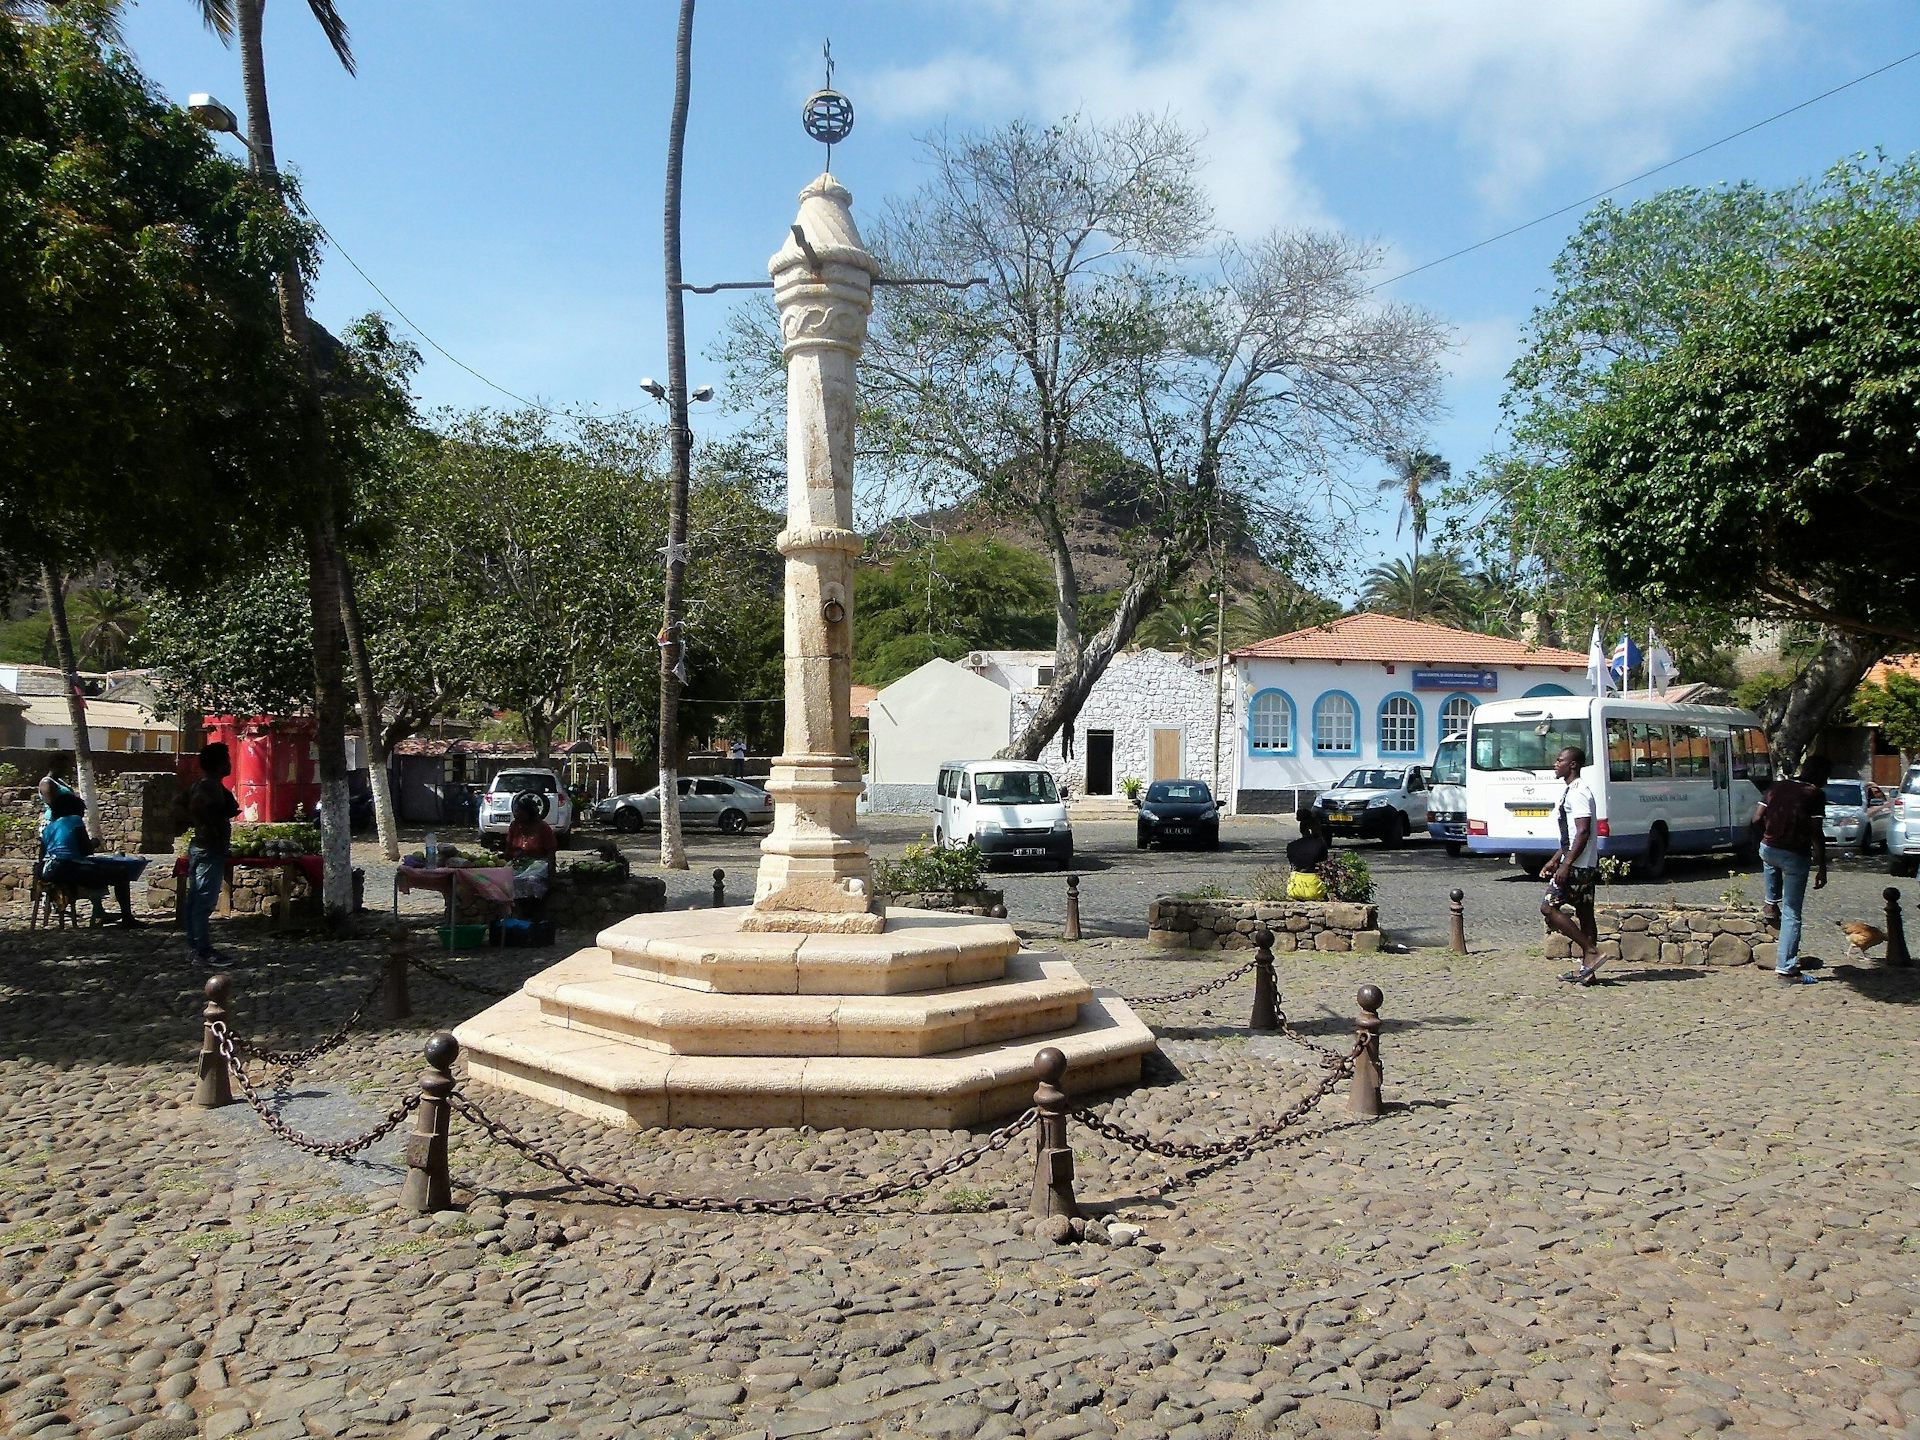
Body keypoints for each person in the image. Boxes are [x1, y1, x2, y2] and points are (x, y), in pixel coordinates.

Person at [1755, 755, 1830, 983]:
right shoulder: (1815, 794)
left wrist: (1770, 832)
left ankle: (1770, 901)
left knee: (1769, 858)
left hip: (1768, 847)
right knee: (1792, 913)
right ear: (1820, 775)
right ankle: (1786, 969)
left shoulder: (1777, 786)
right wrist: (1822, 866)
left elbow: (1756, 817)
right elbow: (1817, 832)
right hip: (1795, 854)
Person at [1540, 745, 1602, 985]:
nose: (1556, 764)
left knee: (1548, 908)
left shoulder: (1579, 792)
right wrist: (1555, 859)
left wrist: (1566, 865)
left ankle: (1591, 950)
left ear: (1572, 765)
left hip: (1579, 866)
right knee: (1585, 915)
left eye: (1559, 760)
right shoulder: (1572, 790)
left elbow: (1583, 831)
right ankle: (1589, 971)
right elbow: (1571, 835)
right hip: (1582, 863)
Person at [39, 796, 141, 927]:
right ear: (75, 810)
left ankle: (100, 911)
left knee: (95, 871)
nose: (82, 815)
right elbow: (86, 850)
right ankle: (127, 918)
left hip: (49, 872)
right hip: (67, 868)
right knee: (121, 873)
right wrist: (94, 842)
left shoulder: (49, 828)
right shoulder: (75, 820)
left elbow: (43, 855)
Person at [185, 742, 240, 967]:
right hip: (209, 849)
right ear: (219, 765)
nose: (230, 765)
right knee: (203, 902)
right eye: (226, 761)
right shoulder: (208, 787)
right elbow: (195, 808)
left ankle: (196, 946)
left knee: (196, 900)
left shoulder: (207, 785)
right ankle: (201, 950)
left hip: (205, 847)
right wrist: (211, 827)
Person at [504, 792, 557, 916]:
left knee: (531, 881)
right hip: (519, 864)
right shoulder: (514, 826)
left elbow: (551, 853)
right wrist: (511, 857)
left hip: (538, 864)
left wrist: (552, 875)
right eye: (516, 811)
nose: (517, 814)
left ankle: (531, 912)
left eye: (520, 812)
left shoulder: (543, 828)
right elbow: (508, 850)